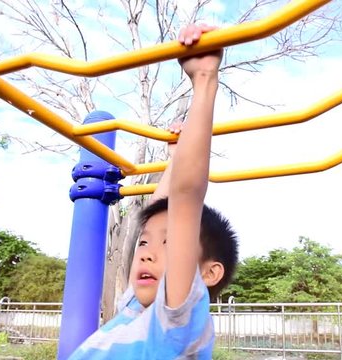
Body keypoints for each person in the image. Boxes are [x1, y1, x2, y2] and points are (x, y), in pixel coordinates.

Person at [68, 23, 239, 360]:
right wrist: (173, 161)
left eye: (168, 244)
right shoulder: (134, 307)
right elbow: (160, 207)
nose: (145, 253)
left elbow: (185, 198)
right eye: (144, 243)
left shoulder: (176, 321)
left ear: (208, 274)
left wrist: (204, 81)